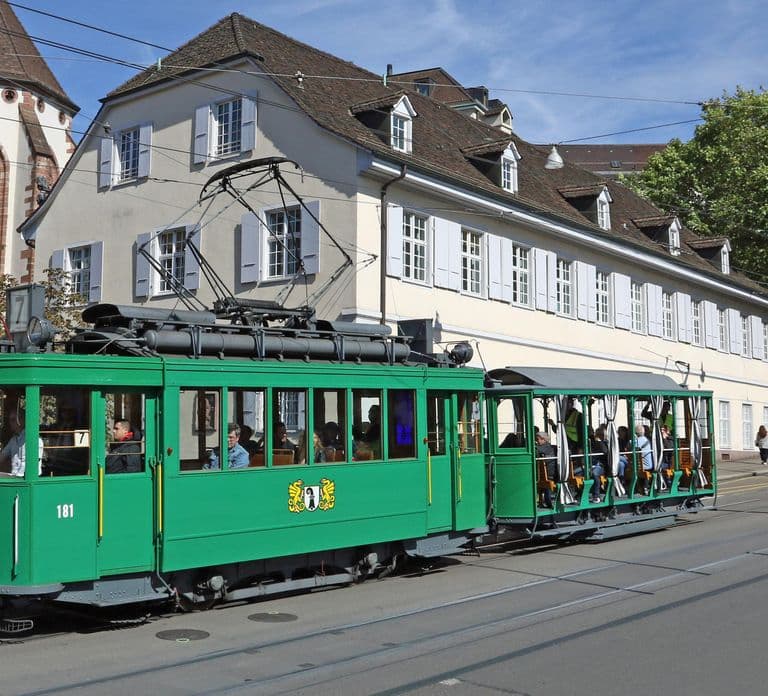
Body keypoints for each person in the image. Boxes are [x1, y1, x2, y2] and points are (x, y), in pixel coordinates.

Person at [0, 409, 43, 477]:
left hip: (26, 480)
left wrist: (17, 476)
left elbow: (34, 463)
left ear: (21, 421)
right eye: (9, 420)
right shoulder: (13, 440)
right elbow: (3, 455)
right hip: (15, 478)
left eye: (13, 419)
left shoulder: (34, 439)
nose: (10, 422)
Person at [535, 431, 557, 507]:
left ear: (543, 439)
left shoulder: (539, 449)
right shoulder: (553, 447)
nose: (536, 441)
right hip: (551, 473)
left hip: (548, 474)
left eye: (538, 439)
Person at [589, 426, 609, 503]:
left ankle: (596, 495)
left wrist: (599, 442)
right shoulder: (592, 442)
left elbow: (605, 451)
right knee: (577, 472)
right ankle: (579, 494)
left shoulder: (604, 443)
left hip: (601, 465)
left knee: (594, 473)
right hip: (591, 464)